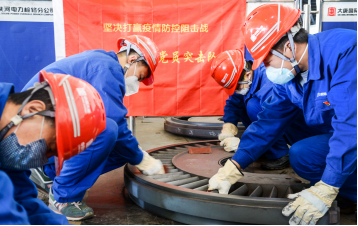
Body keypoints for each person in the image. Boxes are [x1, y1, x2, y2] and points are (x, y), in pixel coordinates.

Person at [209, 4, 357, 225]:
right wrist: (235, 166)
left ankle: (338, 188)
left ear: (288, 46)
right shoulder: (289, 77)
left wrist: (327, 186)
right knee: (302, 156)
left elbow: (350, 125)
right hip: (339, 132)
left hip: (352, 129)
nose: (267, 70)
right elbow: (269, 121)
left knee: (320, 161)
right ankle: (345, 191)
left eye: (268, 62)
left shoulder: (346, 51)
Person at [23, 35, 165, 221]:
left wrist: (135, 154)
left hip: (40, 129)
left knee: (121, 148)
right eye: (139, 77)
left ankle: (48, 172)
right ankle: (62, 198)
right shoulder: (107, 68)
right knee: (106, 131)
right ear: (133, 59)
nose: (136, 83)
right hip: (30, 130)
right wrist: (142, 159)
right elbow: (111, 119)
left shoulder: (102, 63)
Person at [0, 71, 106, 224]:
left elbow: (23, 202)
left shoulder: (7, 149)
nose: (41, 158)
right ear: (33, 109)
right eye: (50, 145)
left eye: (51, 154)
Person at [212, 49, 316, 170]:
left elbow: (269, 122)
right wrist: (229, 124)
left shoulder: (269, 81)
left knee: (252, 106)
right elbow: (234, 101)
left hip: (297, 125)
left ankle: (281, 155)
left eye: (236, 87)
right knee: (245, 105)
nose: (236, 91)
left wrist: (245, 146)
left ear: (248, 74)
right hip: (275, 120)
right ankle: (269, 148)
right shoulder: (244, 79)